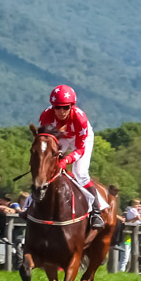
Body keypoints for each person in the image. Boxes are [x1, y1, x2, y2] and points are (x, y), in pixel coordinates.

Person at [38, 84, 108, 229]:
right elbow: (45, 142)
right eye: (58, 107)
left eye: (66, 107)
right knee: (46, 167)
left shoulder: (80, 119)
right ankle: (33, 204)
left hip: (81, 139)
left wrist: (66, 160)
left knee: (80, 173)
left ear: (72, 106)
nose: (62, 111)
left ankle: (96, 212)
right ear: (52, 107)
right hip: (60, 137)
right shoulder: (46, 116)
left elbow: (80, 149)